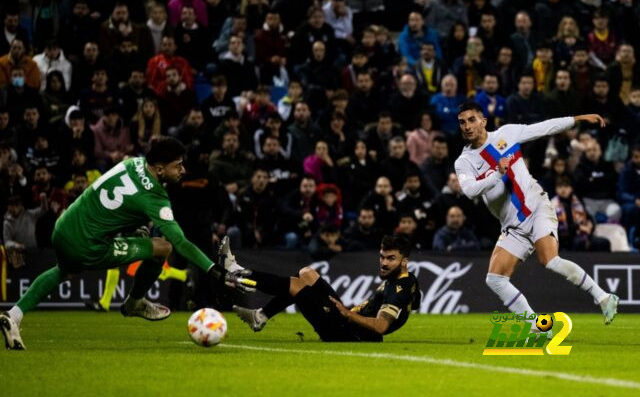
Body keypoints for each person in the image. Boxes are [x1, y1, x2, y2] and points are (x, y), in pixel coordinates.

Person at [0, 136, 257, 350]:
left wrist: (135, 224)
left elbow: (118, 201)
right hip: (87, 246)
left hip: (64, 227)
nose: (183, 171)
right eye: (177, 166)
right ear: (158, 169)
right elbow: (180, 242)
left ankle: (14, 315)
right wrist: (216, 271)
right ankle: (135, 302)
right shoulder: (156, 198)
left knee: (61, 271)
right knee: (163, 247)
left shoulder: (132, 162)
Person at [454, 100, 618, 329]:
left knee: (549, 260)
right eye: (462, 122)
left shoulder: (507, 134)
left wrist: (577, 119)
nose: (467, 126)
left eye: (472, 120)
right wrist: (497, 173)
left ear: (483, 120)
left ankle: (603, 297)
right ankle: (537, 325)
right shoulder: (464, 162)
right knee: (494, 279)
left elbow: (543, 127)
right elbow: (470, 189)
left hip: (536, 206)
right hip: (513, 225)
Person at [233, 235, 420, 342]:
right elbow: (416, 301)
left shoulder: (399, 289)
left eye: (390, 259)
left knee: (297, 285)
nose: (383, 263)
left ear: (404, 261)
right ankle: (260, 316)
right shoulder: (408, 280)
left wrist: (348, 315)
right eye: (382, 257)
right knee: (306, 273)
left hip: (348, 332)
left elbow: (380, 327)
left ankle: (242, 273)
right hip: (347, 320)